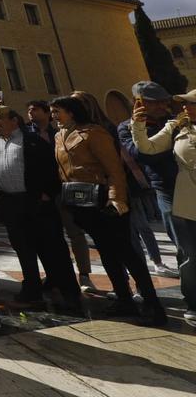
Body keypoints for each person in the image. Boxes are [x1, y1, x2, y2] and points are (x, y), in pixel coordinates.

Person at [51, 96, 165, 325]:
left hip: (105, 200)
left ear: (71, 112)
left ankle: (152, 303)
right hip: (82, 202)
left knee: (127, 253)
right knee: (107, 253)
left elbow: (114, 169)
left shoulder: (94, 133)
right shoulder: (59, 136)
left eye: (58, 111)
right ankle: (123, 299)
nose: (54, 115)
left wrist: (116, 198)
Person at [0, 108, 82, 311]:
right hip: (11, 204)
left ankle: (68, 293)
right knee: (23, 249)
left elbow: (51, 166)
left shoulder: (31, 140)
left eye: (0, 119)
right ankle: (31, 291)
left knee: (52, 249)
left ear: (14, 120)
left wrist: (47, 192)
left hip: (37, 203)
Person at [129, 89, 196, 327]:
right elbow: (147, 149)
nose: (186, 108)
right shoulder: (175, 127)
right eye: (184, 104)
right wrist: (137, 125)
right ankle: (194, 302)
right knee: (189, 253)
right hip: (185, 198)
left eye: (191, 103)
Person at [28, 97, 96, 293]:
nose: (31, 114)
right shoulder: (26, 134)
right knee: (50, 236)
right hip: (44, 194)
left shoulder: (59, 134)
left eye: (35, 110)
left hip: (66, 189)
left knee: (75, 232)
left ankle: (84, 274)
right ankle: (54, 274)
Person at [119, 82, 182, 276]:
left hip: (190, 181)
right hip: (166, 187)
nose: (162, 106)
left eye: (163, 101)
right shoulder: (126, 128)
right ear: (139, 103)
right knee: (182, 239)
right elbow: (145, 155)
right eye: (155, 102)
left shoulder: (177, 120)